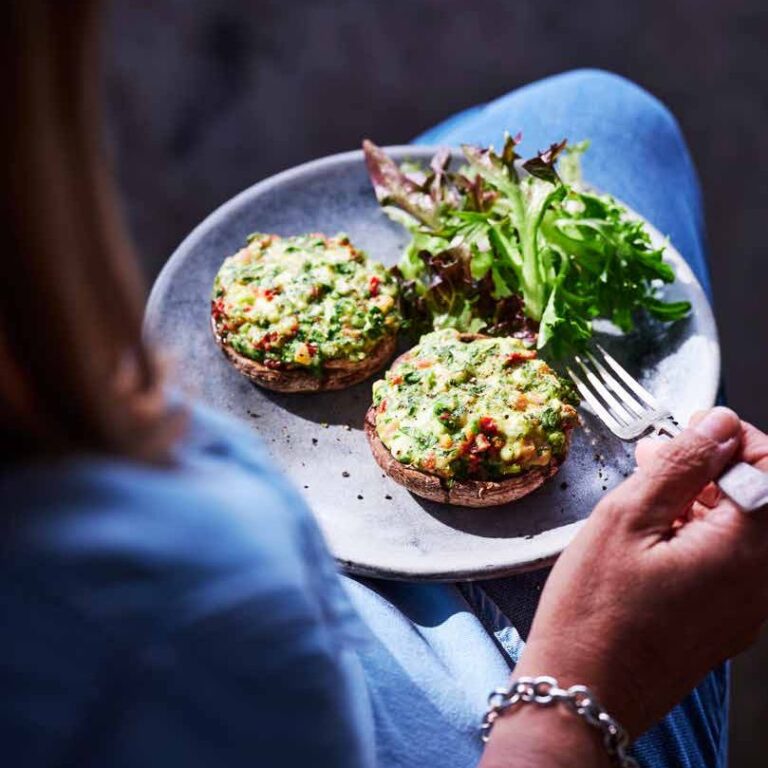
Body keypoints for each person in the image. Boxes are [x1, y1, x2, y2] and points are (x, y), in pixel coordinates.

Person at [2, 2, 767, 767]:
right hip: (515, 704)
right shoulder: (199, 612)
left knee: (595, 110)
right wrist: (572, 708)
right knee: (609, 119)